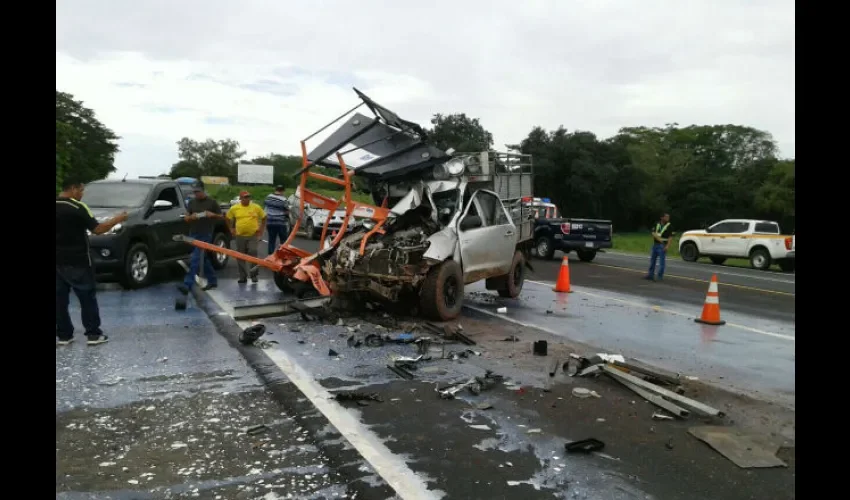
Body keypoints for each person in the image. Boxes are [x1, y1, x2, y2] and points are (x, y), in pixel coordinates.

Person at [56, 178, 129, 346]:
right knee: (86, 296)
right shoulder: (78, 207)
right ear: (73, 189)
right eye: (81, 191)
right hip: (78, 260)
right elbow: (97, 229)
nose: (82, 195)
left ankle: (64, 335)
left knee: (59, 299)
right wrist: (117, 219)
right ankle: (93, 334)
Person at [177, 186, 224, 295]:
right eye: (195, 192)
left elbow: (221, 216)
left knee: (195, 258)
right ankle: (212, 280)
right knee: (203, 258)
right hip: (194, 233)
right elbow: (186, 217)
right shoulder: (192, 202)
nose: (196, 194)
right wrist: (190, 217)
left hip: (206, 233)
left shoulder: (212, 202)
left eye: (198, 192)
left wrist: (212, 214)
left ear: (203, 191)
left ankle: (187, 284)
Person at [227, 190, 267, 283]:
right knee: (240, 256)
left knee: (253, 252)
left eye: (248, 197)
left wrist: (261, 230)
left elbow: (264, 217)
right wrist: (231, 229)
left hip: (252, 235)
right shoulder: (235, 208)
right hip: (240, 236)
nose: (247, 199)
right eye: (245, 197)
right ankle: (243, 277)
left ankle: (254, 276)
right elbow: (228, 218)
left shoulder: (256, 207)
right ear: (240, 199)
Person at [263, 185, 291, 256]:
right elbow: (287, 210)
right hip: (280, 222)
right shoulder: (283, 199)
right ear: (282, 191)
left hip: (270, 222)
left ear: (276, 189)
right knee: (283, 240)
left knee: (271, 240)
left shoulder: (268, 197)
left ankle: (270, 255)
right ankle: (282, 255)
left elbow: (266, 206)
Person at [645, 213, 673, 281]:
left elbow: (670, 237)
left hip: (663, 245)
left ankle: (659, 276)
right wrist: (658, 239)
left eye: (668, 217)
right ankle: (650, 275)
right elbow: (653, 233)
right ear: (662, 218)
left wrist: (667, 246)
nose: (667, 218)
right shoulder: (657, 224)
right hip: (655, 244)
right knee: (652, 261)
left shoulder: (670, 226)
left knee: (661, 262)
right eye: (666, 217)